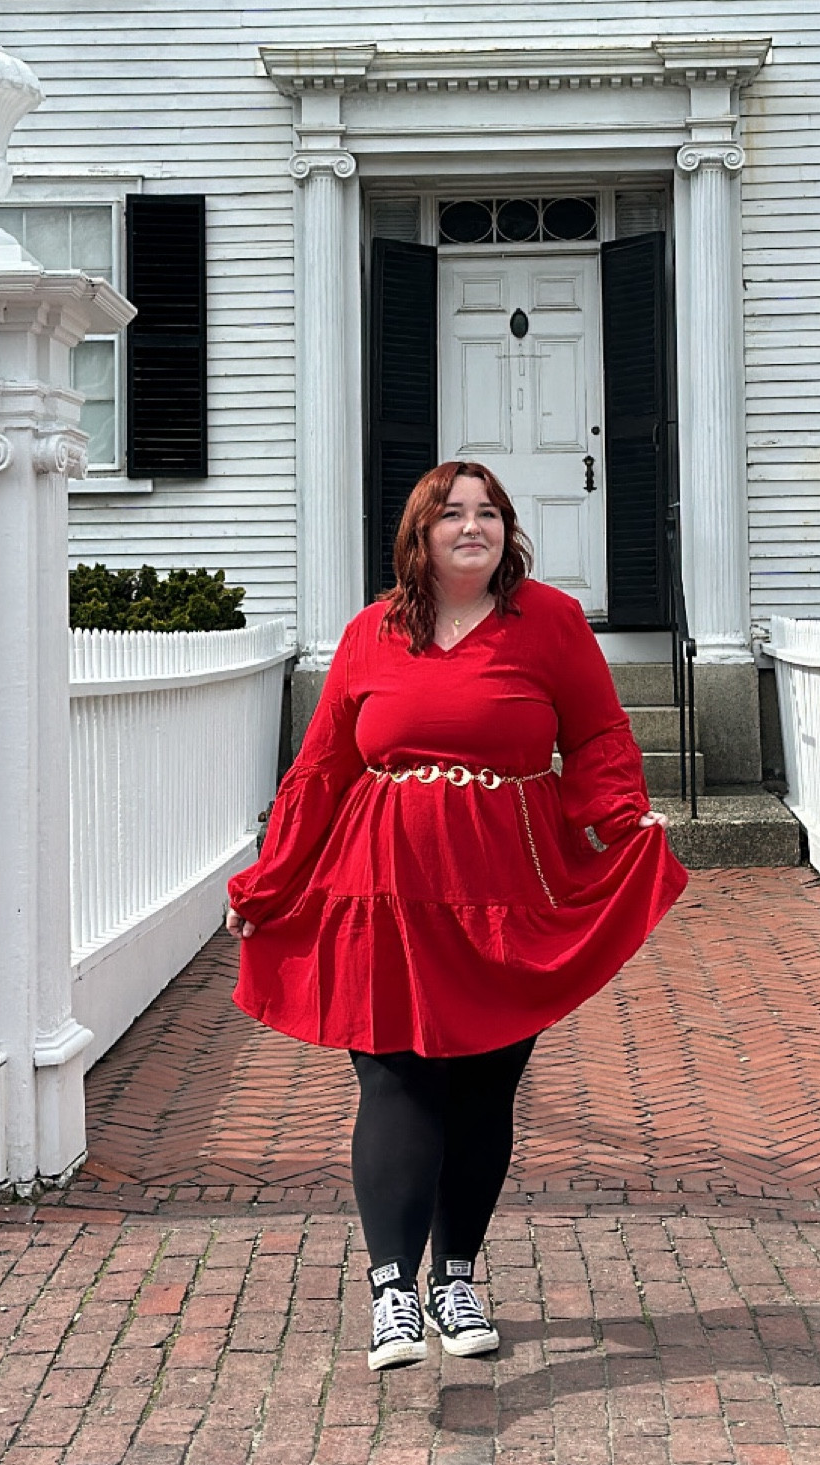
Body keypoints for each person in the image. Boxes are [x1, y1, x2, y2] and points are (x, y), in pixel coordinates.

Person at [226, 462, 688, 1371]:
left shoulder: (550, 621)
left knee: (483, 1085)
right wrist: (269, 882)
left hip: (502, 887)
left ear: (506, 530)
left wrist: (620, 822)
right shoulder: (371, 631)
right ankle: (393, 1292)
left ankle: (456, 1277)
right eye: (451, 514)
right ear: (420, 534)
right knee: (395, 1077)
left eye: (488, 513)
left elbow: (596, 737)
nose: (471, 527)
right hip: (383, 886)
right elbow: (322, 768)